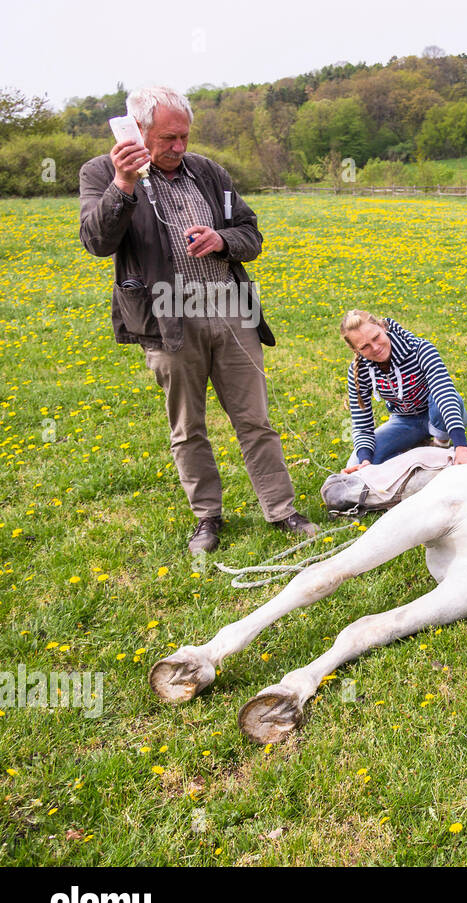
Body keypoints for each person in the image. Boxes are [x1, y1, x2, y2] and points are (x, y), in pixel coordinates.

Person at [79, 85, 316, 556]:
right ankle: (207, 518)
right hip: (165, 317)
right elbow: (97, 241)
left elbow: (252, 233)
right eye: (168, 138)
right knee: (188, 428)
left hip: (231, 311)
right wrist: (123, 184)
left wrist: (223, 240)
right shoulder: (101, 172)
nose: (179, 147)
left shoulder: (208, 171)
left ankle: (281, 509)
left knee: (255, 420)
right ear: (138, 129)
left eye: (184, 136)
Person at [339, 310, 467, 472]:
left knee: (444, 402)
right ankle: (415, 453)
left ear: (383, 327)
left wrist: (461, 447)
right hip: (404, 421)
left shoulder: (421, 349)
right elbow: (362, 425)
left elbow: (445, 394)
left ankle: (441, 446)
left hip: (437, 415)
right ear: (356, 350)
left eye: (376, 337)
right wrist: (365, 461)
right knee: (355, 462)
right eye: (365, 347)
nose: (375, 347)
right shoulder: (359, 371)